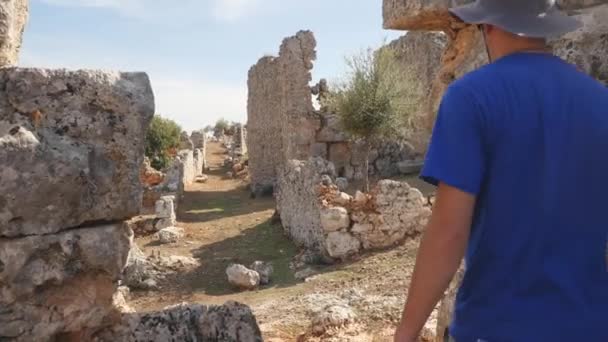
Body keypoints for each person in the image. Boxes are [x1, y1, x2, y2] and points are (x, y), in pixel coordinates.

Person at [394, 0, 608, 341]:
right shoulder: (601, 101)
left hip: (496, 326)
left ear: (488, 25)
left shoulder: (470, 97)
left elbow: (449, 232)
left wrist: (406, 333)